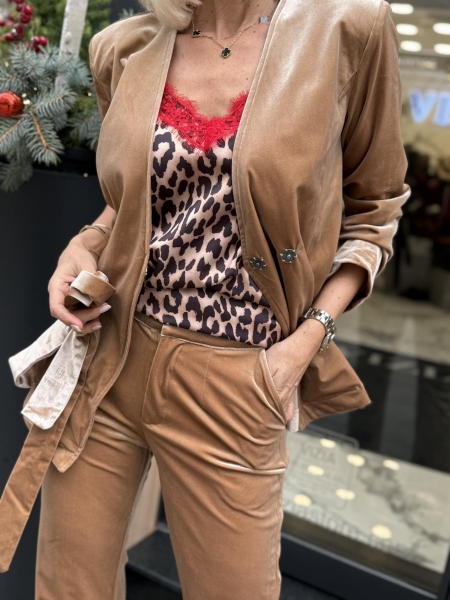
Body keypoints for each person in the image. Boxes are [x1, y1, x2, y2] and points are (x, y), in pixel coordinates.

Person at [0, 0, 411, 598]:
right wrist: (84, 244)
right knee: (69, 588)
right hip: (109, 353)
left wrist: (305, 341)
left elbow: (375, 212)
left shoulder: (348, 28)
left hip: (236, 380)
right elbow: (127, 202)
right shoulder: (124, 46)